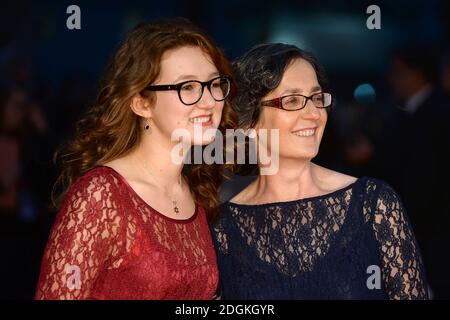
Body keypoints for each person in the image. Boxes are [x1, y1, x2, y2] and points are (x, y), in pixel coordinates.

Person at [35, 18, 236, 300]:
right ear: (141, 103)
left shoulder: (196, 193)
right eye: (187, 87)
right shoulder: (101, 194)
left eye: (214, 84)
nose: (209, 100)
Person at [211, 43, 428, 300]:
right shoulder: (223, 229)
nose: (314, 113)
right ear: (249, 122)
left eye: (316, 97)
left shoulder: (373, 205)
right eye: (292, 100)